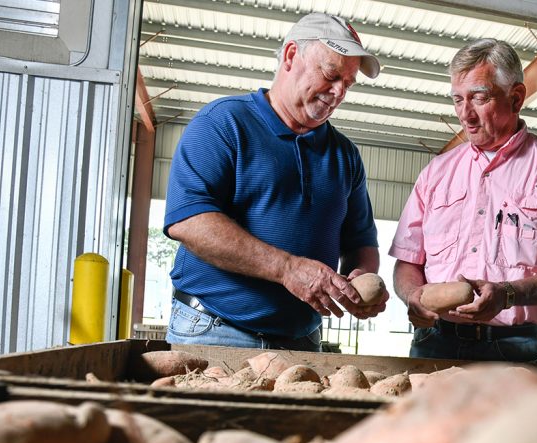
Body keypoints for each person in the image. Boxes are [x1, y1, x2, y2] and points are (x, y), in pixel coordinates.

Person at [162, 13, 387, 352]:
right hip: (215, 329)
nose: (339, 91)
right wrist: (287, 269)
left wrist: (360, 279)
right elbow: (188, 222)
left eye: (348, 83)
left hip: (303, 339)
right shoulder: (223, 123)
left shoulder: (345, 155)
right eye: (331, 74)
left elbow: (360, 242)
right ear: (291, 56)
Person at [390, 38, 537, 364]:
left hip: (514, 347)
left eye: (479, 98)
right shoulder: (436, 173)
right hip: (434, 342)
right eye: (457, 100)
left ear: (516, 97)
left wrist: (508, 294)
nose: (465, 114)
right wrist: (413, 296)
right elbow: (408, 261)